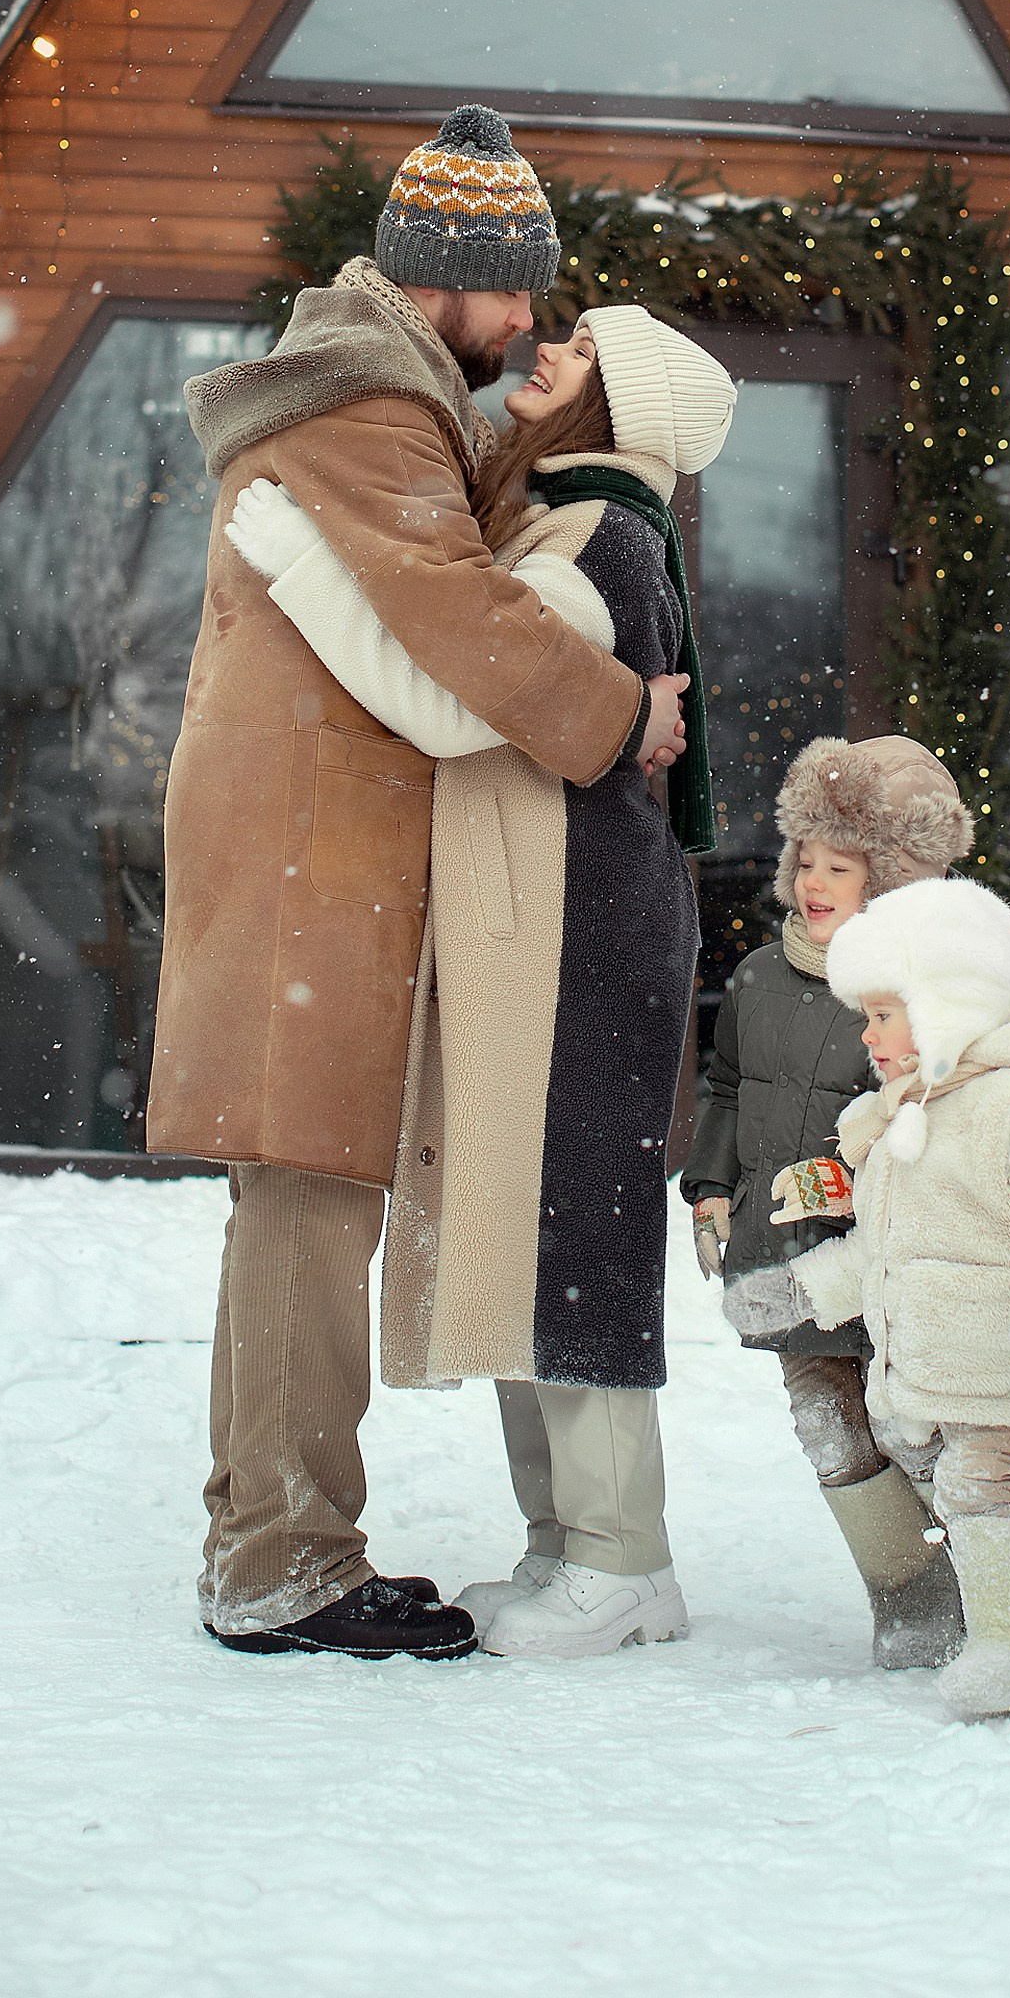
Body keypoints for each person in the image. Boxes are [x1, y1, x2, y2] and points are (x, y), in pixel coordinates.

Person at [146, 107, 690, 1662]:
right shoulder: (360, 415)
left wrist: (531, 431)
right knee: (305, 1204)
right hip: (311, 863)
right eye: (515, 292)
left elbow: (430, 546)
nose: (527, 325)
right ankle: (281, 1564)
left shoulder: (377, 402)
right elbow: (454, 614)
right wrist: (617, 716)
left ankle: (276, 1544)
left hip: (316, 860)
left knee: (302, 1201)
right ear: (445, 274)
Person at [228, 304, 736, 1659]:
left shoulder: (598, 541)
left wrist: (295, 553)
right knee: (532, 1227)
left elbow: (448, 700)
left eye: (579, 347)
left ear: (617, 406)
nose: (548, 345)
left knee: (573, 1235)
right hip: (557, 925)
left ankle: (623, 1560)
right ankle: (567, 1547)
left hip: (585, 932)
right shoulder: (562, 526)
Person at [724, 876, 1010, 1721]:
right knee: (992, 1483)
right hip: (954, 1362)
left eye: (880, 1015)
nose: (865, 1034)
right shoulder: (908, 1115)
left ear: (943, 1008)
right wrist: (800, 1291)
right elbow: (881, 1251)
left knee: (981, 1481)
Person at [681, 735, 973, 1667]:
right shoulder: (762, 979)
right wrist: (711, 1188)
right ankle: (910, 1602)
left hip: (886, 1261)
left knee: (920, 1433)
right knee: (829, 1429)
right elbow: (727, 1088)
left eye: (840, 866)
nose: (813, 880)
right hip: (785, 1254)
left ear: (886, 882)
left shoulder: (917, 996)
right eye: (805, 859)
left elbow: (939, 1122)